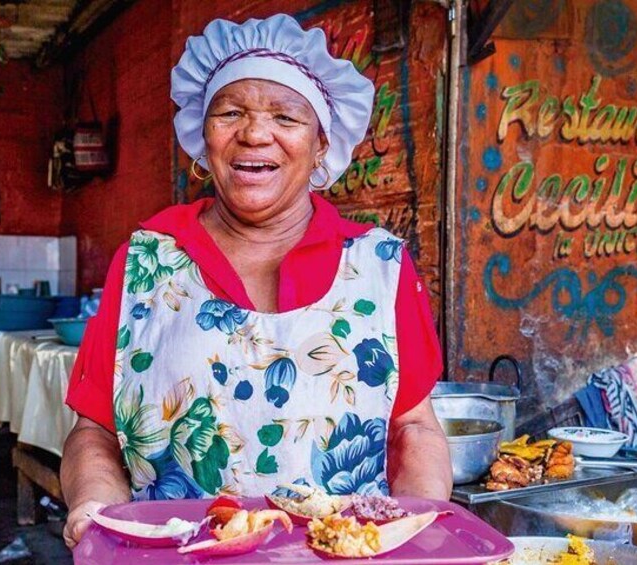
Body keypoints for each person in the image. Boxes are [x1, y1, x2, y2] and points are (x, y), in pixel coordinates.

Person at [60, 14, 452, 549]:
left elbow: (414, 429)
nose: (254, 133)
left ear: (321, 146)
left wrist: (419, 530)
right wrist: (92, 508)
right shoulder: (145, 261)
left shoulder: (379, 265)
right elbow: (95, 432)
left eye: (286, 116)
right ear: (205, 134)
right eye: (231, 112)